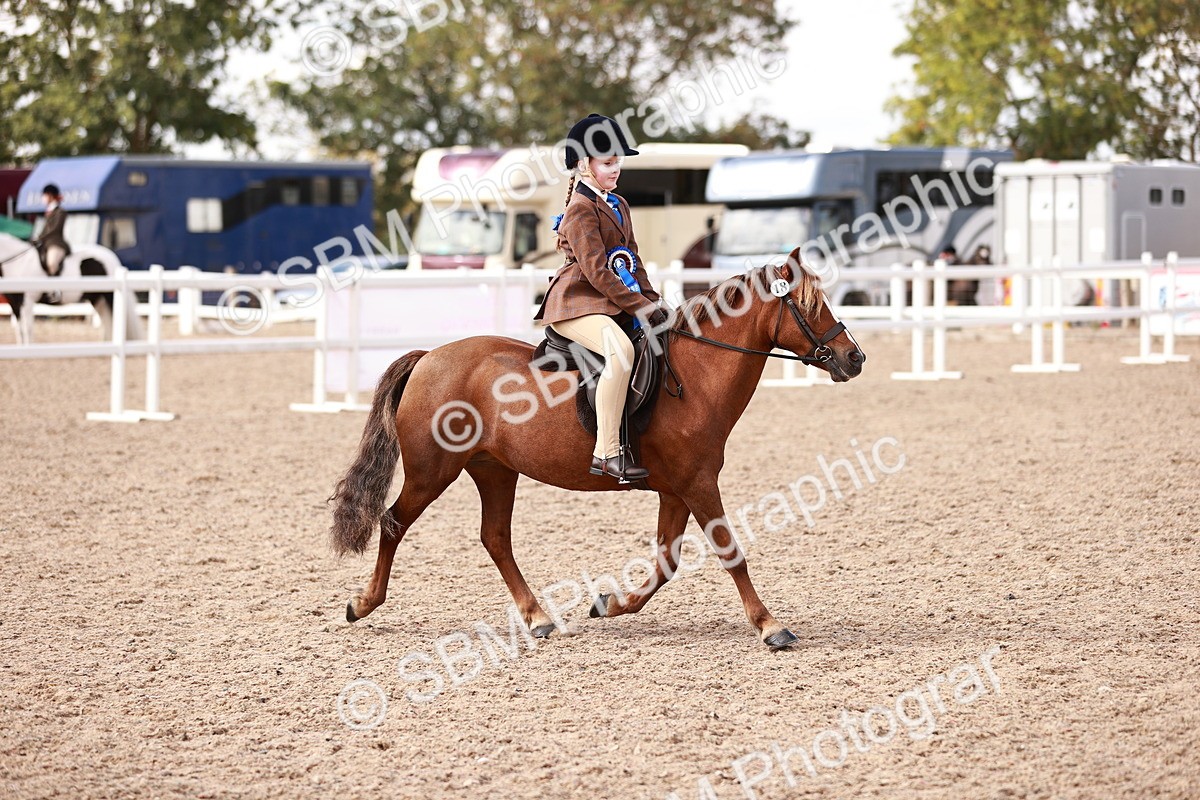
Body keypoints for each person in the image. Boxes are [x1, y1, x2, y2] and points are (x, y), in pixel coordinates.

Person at [534, 113, 667, 482]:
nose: (616, 169)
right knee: (620, 352)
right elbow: (596, 271)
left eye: (617, 162)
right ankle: (606, 452)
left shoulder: (619, 203)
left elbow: (631, 259)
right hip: (575, 303)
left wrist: (654, 302)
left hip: (606, 302)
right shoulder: (580, 209)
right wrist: (638, 306)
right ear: (583, 165)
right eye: (608, 163)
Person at [32, 183, 70, 276]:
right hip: (45, 244)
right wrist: (36, 238)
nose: (43, 198)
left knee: (52, 263)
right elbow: (45, 229)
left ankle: (56, 284)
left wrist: (40, 238)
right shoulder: (48, 211)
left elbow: (55, 229)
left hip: (55, 243)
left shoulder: (60, 212)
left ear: (50, 195)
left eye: (44, 195)